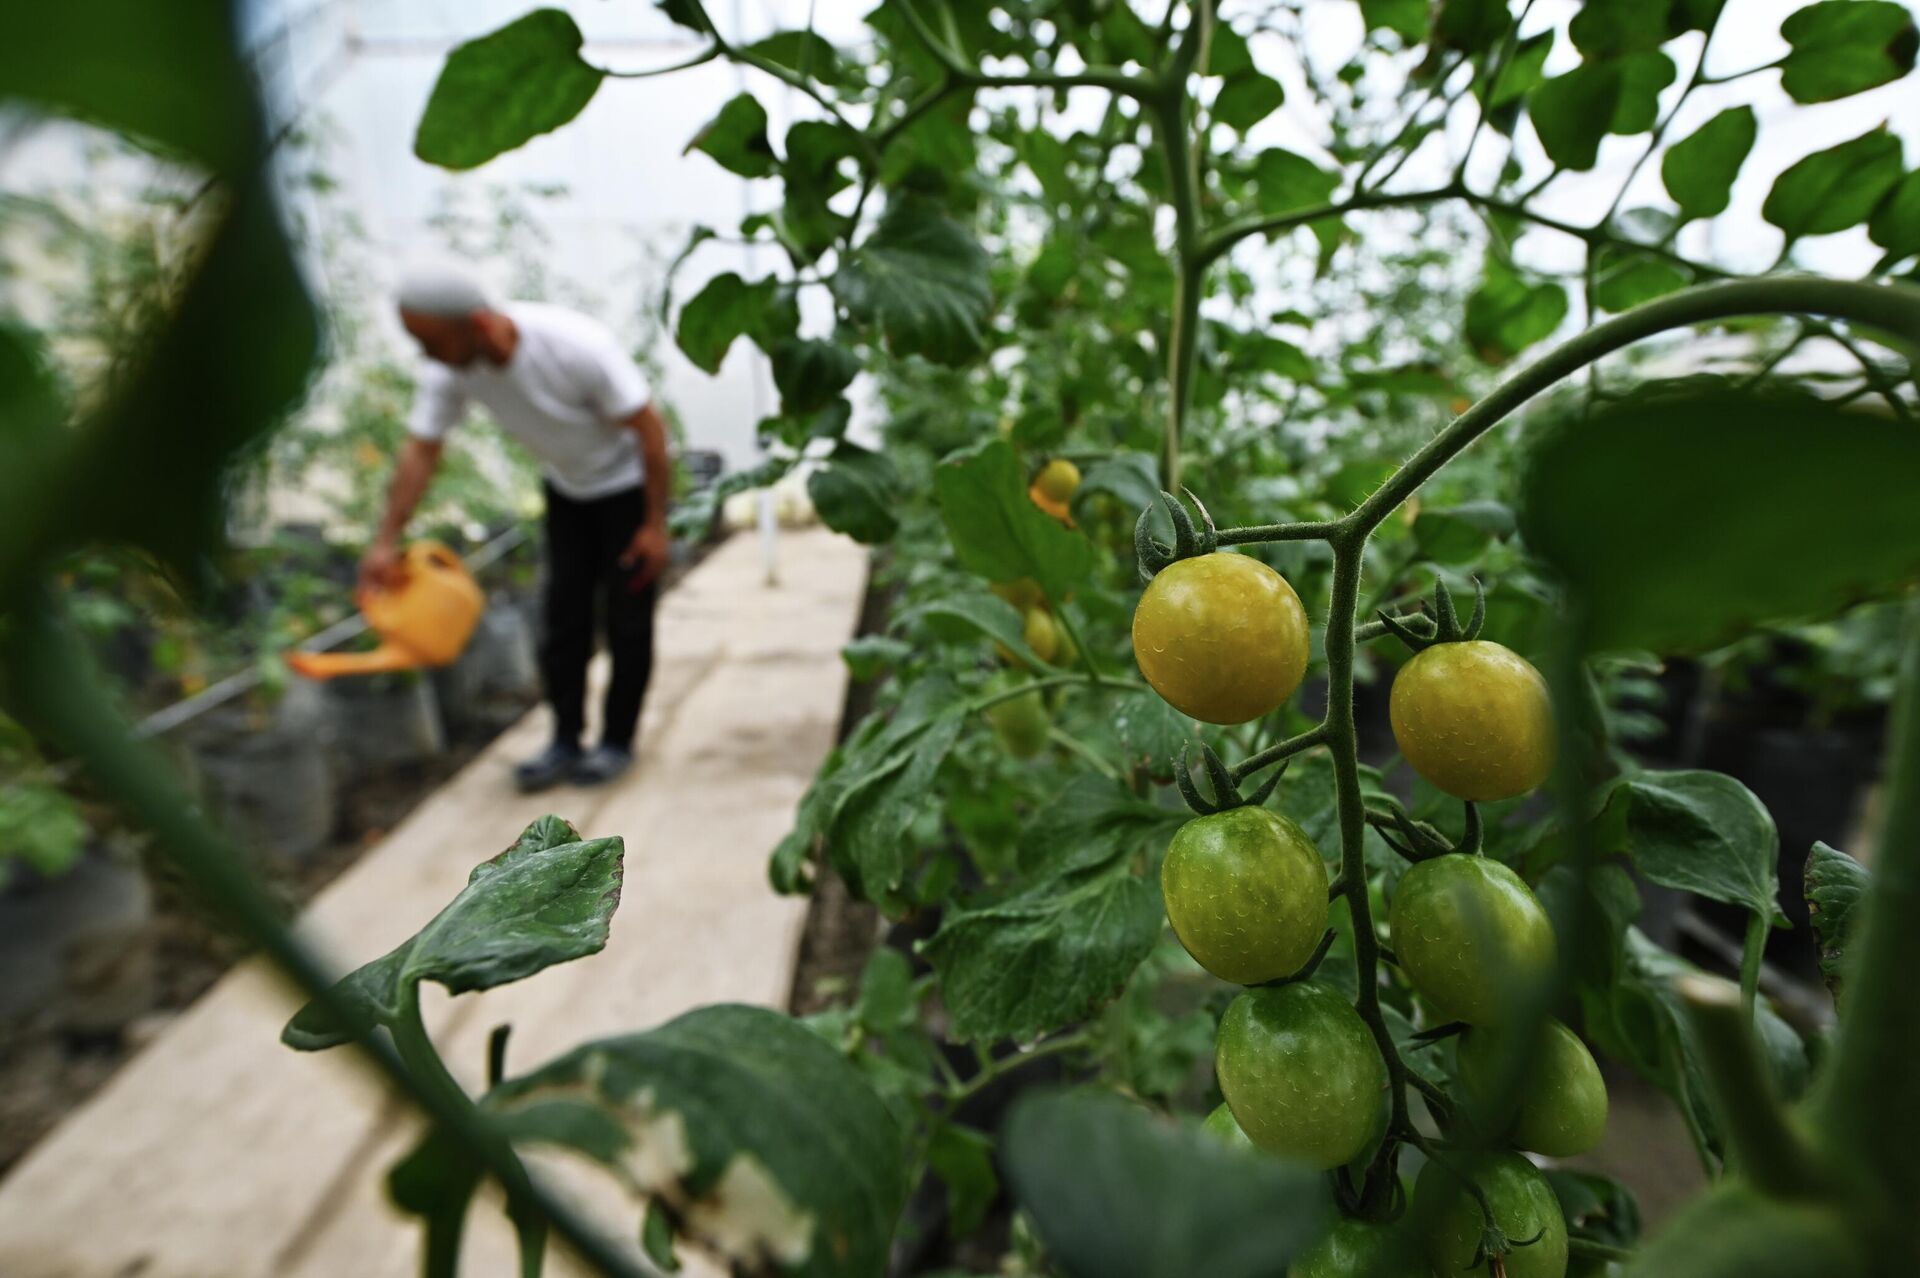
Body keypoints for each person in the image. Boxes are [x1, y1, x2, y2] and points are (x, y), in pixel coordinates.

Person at [362, 262, 672, 791]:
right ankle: (565, 741)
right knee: (563, 622)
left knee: (627, 623)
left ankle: (617, 741)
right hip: (567, 492)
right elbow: (422, 449)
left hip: (626, 492)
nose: (426, 356)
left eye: (431, 342)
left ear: (478, 324)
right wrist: (385, 540)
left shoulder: (576, 347)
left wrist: (655, 525)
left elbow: (650, 433)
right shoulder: (451, 369)